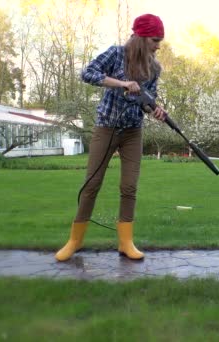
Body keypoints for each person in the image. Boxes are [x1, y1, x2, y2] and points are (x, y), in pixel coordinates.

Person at [55, 14, 167, 262]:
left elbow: (148, 100)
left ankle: (126, 243)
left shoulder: (154, 68)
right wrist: (122, 83)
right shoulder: (116, 54)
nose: (159, 45)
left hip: (132, 132)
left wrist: (155, 110)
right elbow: (88, 73)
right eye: (155, 40)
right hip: (106, 127)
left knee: (129, 187)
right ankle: (74, 241)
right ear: (141, 37)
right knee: (92, 185)